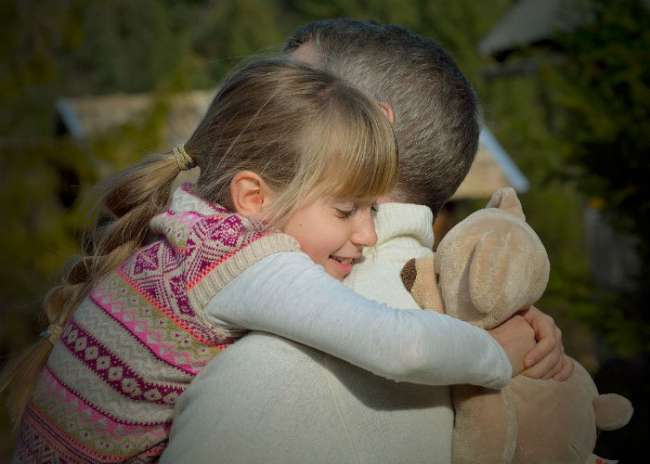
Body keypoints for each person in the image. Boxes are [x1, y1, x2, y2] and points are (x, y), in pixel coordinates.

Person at [5, 58, 533, 463]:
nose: (369, 234)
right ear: (254, 197)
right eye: (347, 209)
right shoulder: (244, 262)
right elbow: (401, 344)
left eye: (372, 210)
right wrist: (496, 354)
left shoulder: (188, 223)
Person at [161, 20, 572, 464]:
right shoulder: (491, 330)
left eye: (293, 92)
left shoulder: (267, 375)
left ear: (371, 126)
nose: (257, 113)